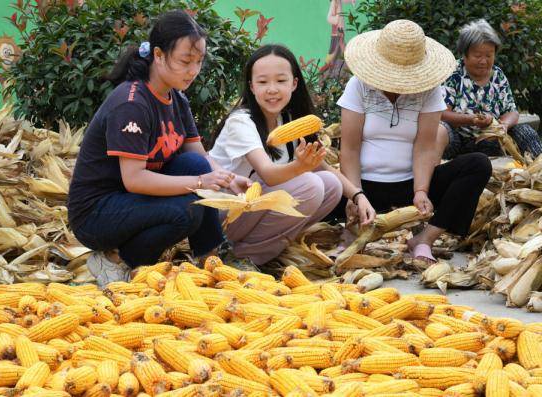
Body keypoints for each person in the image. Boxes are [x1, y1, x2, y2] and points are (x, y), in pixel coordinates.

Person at [67, 10, 250, 287]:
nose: (193, 71)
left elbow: (199, 156)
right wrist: (201, 183)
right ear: (159, 55)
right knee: (186, 209)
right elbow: (134, 179)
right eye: (185, 61)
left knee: (197, 171)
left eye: (199, 62)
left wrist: (227, 178)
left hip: (134, 201)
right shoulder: (133, 104)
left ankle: (211, 263)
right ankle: (117, 260)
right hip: (97, 213)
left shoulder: (176, 98)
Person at [335, 20, 492, 262]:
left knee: (478, 164)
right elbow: (350, 147)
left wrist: (421, 190)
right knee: (319, 182)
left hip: (409, 185)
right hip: (364, 187)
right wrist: (355, 196)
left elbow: (425, 146)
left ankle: (424, 239)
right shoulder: (359, 86)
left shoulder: (429, 90)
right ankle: (350, 229)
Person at [209, 44, 375, 268]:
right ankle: (240, 256)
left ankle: (257, 250)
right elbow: (268, 174)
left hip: (250, 211)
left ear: (294, 83)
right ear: (251, 86)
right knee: (310, 184)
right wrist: (299, 166)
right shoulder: (241, 121)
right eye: (262, 82)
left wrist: (358, 196)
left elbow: (324, 168)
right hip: (221, 216)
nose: (272, 89)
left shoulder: (289, 120)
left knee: (331, 185)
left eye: (280, 80)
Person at [439, 19, 542, 160]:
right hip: (459, 140)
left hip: (492, 140)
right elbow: (442, 114)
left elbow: (511, 111)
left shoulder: (497, 75)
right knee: (441, 129)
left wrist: (503, 125)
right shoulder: (453, 73)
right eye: (478, 56)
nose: (484, 61)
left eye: (489, 55)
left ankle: (539, 170)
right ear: (465, 54)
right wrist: (472, 120)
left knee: (524, 131)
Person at [325, 0, 356, 78]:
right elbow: (329, 18)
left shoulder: (338, 1)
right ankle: (332, 77)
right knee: (337, 57)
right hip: (337, 35)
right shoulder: (334, 2)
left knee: (341, 57)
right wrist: (338, 17)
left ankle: (340, 77)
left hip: (340, 34)